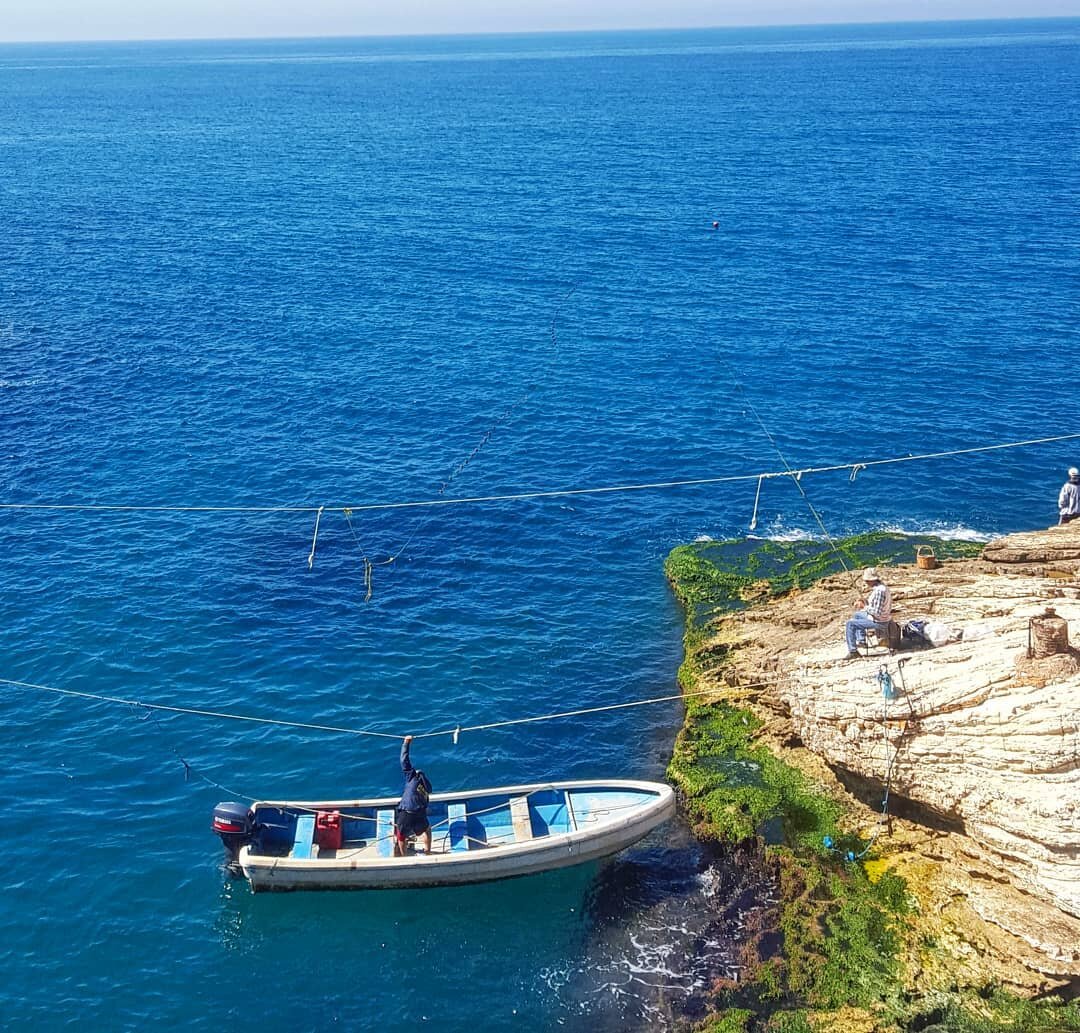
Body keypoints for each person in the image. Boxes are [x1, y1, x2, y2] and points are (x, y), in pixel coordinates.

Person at [393, 734, 432, 856]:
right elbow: (425, 804)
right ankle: (428, 852)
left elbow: (404, 760)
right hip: (419, 811)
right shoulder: (427, 788)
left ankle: (404, 856)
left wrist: (406, 743)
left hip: (407, 811)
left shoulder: (412, 777)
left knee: (401, 835)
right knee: (427, 830)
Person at [844, 567, 893, 660]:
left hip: (880, 622)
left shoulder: (879, 591)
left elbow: (877, 613)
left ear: (871, 580)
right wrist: (865, 602)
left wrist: (864, 607)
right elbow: (877, 605)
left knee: (850, 624)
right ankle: (861, 641)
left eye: (866, 580)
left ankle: (853, 651)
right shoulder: (882, 587)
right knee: (857, 615)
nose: (866, 583)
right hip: (883, 617)